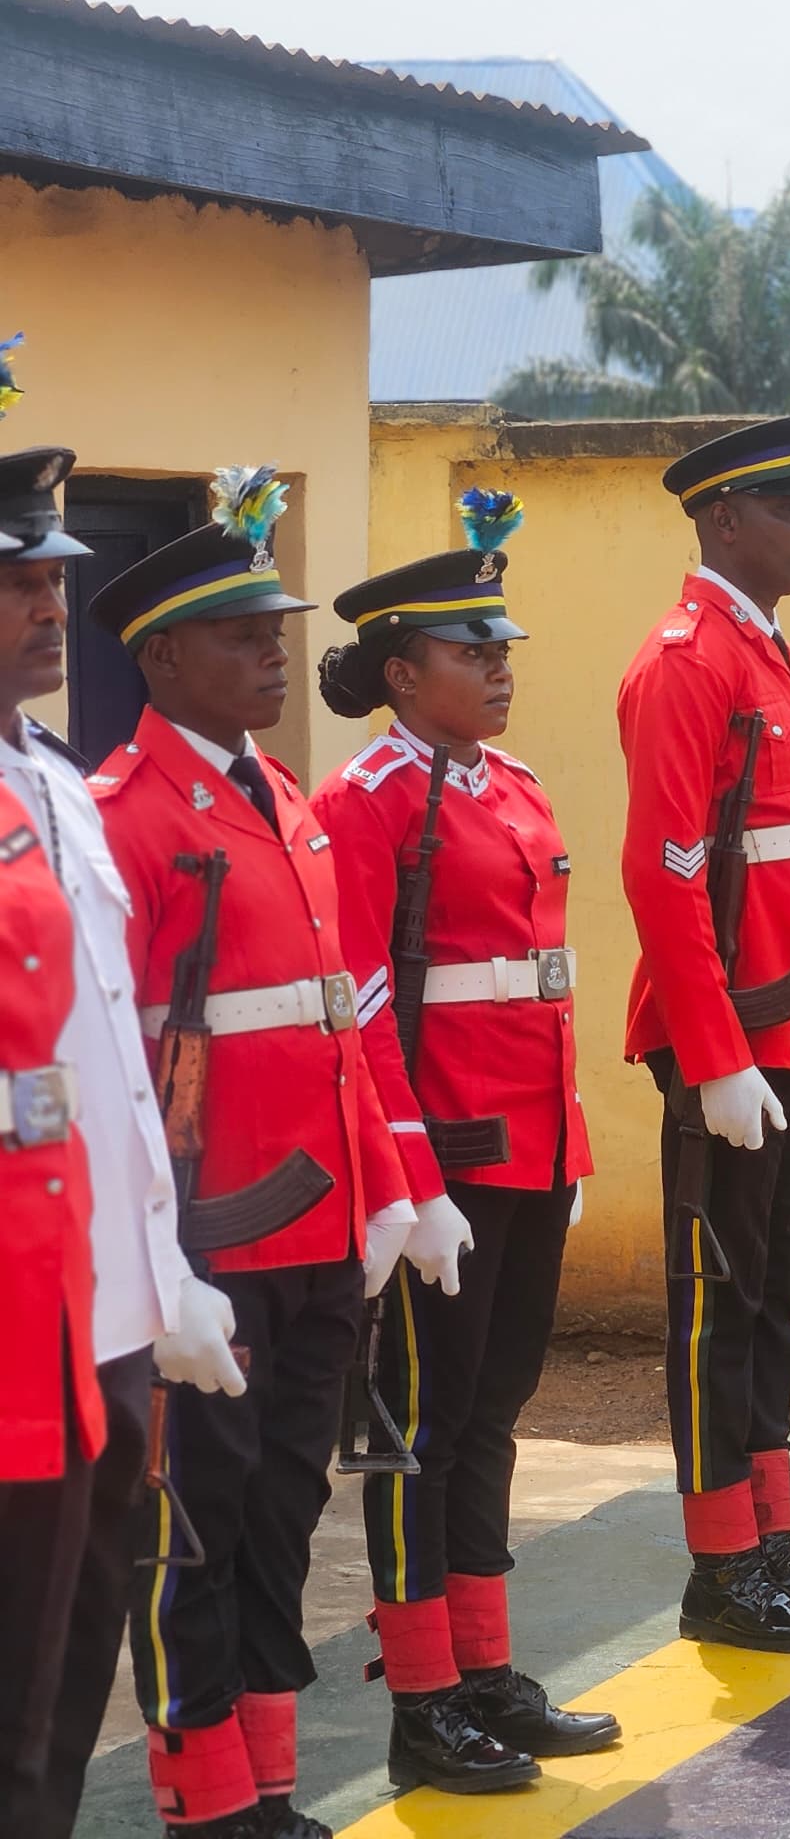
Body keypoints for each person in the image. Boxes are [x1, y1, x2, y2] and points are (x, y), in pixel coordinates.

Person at [90, 467, 460, 1839]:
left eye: (277, 632)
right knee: (194, 1521)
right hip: (212, 1245)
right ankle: (204, 1799)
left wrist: (391, 1189)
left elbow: (343, 1023)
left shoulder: (284, 798)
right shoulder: (126, 816)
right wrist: (154, 1270)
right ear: (161, 658)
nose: (274, 653)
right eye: (243, 637)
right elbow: (116, 1069)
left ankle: (269, 1788)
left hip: (317, 1230)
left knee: (283, 1512)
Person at [312, 492, 620, 1793]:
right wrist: (407, 1177)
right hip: (444, 1161)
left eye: (503, 648)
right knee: (418, 1431)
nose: (500, 668)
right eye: (471, 650)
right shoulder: (365, 801)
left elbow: (538, 990)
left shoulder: (515, 785)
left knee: (494, 1410)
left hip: (530, 1152)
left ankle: (485, 1669)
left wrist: (565, 1147)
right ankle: (423, 1697)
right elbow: (364, 999)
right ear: (401, 672)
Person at [619, 370, 790, 1651]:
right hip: (731, 1041)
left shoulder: (774, 656)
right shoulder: (687, 665)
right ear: (723, 520)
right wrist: (715, 1054)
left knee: (772, 1292)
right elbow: (663, 870)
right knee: (717, 1302)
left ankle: (770, 1539)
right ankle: (722, 1567)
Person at [0, 434, 240, 1839]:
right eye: (18, 582)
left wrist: (161, 1278)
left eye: (54, 578)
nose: (50, 605)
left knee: (69, 1662)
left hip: (93, 1303)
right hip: (13, 1304)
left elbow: (110, 1058)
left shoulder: (53, 777)